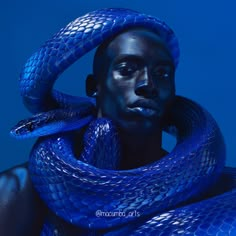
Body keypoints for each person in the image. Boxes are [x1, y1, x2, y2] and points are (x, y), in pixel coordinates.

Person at [0, 10, 235, 236]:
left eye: (162, 73)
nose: (147, 84)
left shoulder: (221, 188)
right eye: (127, 70)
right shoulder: (17, 188)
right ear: (94, 86)